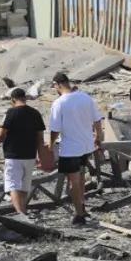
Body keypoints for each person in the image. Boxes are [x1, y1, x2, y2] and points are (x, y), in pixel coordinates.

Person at [48, 72, 103, 226]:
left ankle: (79, 215)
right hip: (86, 146)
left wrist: (51, 145)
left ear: (58, 85)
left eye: (54, 87)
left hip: (70, 148)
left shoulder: (59, 103)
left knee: (73, 183)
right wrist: (99, 137)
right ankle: (82, 206)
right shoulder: (85, 97)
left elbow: (55, 129)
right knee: (81, 179)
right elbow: (97, 120)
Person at [0, 87, 46, 220]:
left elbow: (0, 134)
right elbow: (40, 138)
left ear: (13, 100)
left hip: (13, 154)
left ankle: (20, 213)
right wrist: (40, 155)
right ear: (24, 98)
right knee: (25, 184)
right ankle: (23, 210)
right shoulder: (35, 113)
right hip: (30, 154)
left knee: (13, 184)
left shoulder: (11, 112)